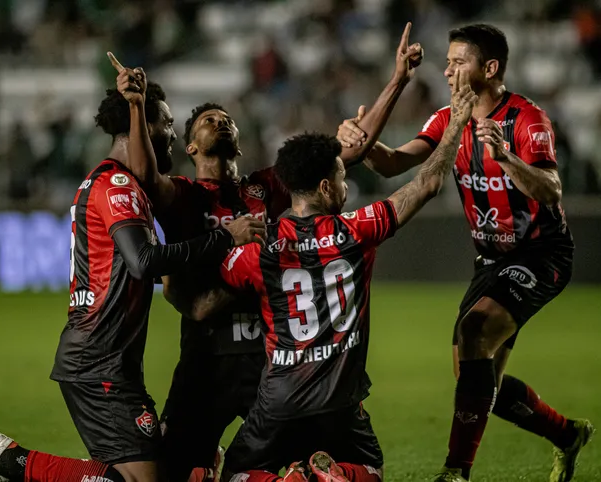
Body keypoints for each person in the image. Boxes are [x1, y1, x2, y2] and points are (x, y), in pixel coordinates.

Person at [116, 24, 423, 482]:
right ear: (191, 146)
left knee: (288, 468)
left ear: (239, 141)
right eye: (207, 121)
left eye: (227, 119)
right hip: (206, 362)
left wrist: (397, 78)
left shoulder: (265, 186)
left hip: (270, 363)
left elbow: (343, 151)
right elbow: (141, 174)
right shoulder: (180, 195)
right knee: (170, 473)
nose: (220, 121)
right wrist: (136, 106)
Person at [0, 71, 266, 482]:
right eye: (168, 124)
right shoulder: (115, 183)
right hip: (98, 357)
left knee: (163, 470)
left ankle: (201, 465)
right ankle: (10, 463)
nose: (172, 135)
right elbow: (143, 261)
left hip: (111, 357)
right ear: (141, 127)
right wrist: (222, 239)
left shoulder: (123, 184)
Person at [336, 24, 594, 482]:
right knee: (475, 381)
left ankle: (456, 472)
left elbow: (552, 190)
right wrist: (363, 143)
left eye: (459, 61)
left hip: (541, 254)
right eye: (449, 61)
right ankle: (567, 434)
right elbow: (395, 161)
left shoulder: (526, 120)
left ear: (489, 68)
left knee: (474, 332)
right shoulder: (445, 120)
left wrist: (507, 159)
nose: (448, 69)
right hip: (491, 261)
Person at [212, 73, 476, 482]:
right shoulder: (357, 229)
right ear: (323, 186)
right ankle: (327, 476)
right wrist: (456, 123)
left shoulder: (258, 251)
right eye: (340, 175)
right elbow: (427, 183)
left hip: (279, 400)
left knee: (236, 476)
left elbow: (215, 277)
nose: (345, 182)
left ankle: (291, 479)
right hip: (339, 402)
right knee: (370, 472)